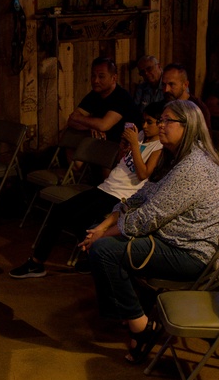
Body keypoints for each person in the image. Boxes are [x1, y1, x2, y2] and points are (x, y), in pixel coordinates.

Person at [82, 100, 219, 364]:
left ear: (188, 126)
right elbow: (142, 196)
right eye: (160, 120)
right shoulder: (177, 157)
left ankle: (140, 326)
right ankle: (129, 315)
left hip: (190, 253)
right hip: (169, 239)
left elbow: (149, 218)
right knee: (100, 239)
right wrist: (103, 225)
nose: (160, 125)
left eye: (167, 121)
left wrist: (103, 236)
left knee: (103, 250)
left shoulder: (194, 167)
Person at [9, 102, 164, 279]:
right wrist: (125, 149)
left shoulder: (159, 148)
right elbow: (125, 163)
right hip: (106, 187)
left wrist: (135, 147)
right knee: (63, 212)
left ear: (161, 124)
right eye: (143, 121)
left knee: (75, 217)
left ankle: (44, 261)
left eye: (149, 122)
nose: (144, 125)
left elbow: (144, 174)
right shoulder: (142, 135)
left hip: (121, 196)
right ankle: (53, 261)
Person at [66, 57, 138, 142]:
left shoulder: (122, 97)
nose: (96, 80)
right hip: (101, 143)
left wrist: (78, 118)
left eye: (101, 77)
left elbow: (103, 125)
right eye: (93, 76)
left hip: (123, 146)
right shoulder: (94, 95)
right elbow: (71, 121)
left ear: (114, 78)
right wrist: (90, 126)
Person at [159, 64, 212, 129]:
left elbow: (203, 137)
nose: (166, 89)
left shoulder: (197, 109)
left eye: (171, 84)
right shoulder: (162, 105)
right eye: (163, 84)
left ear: (185, 85)